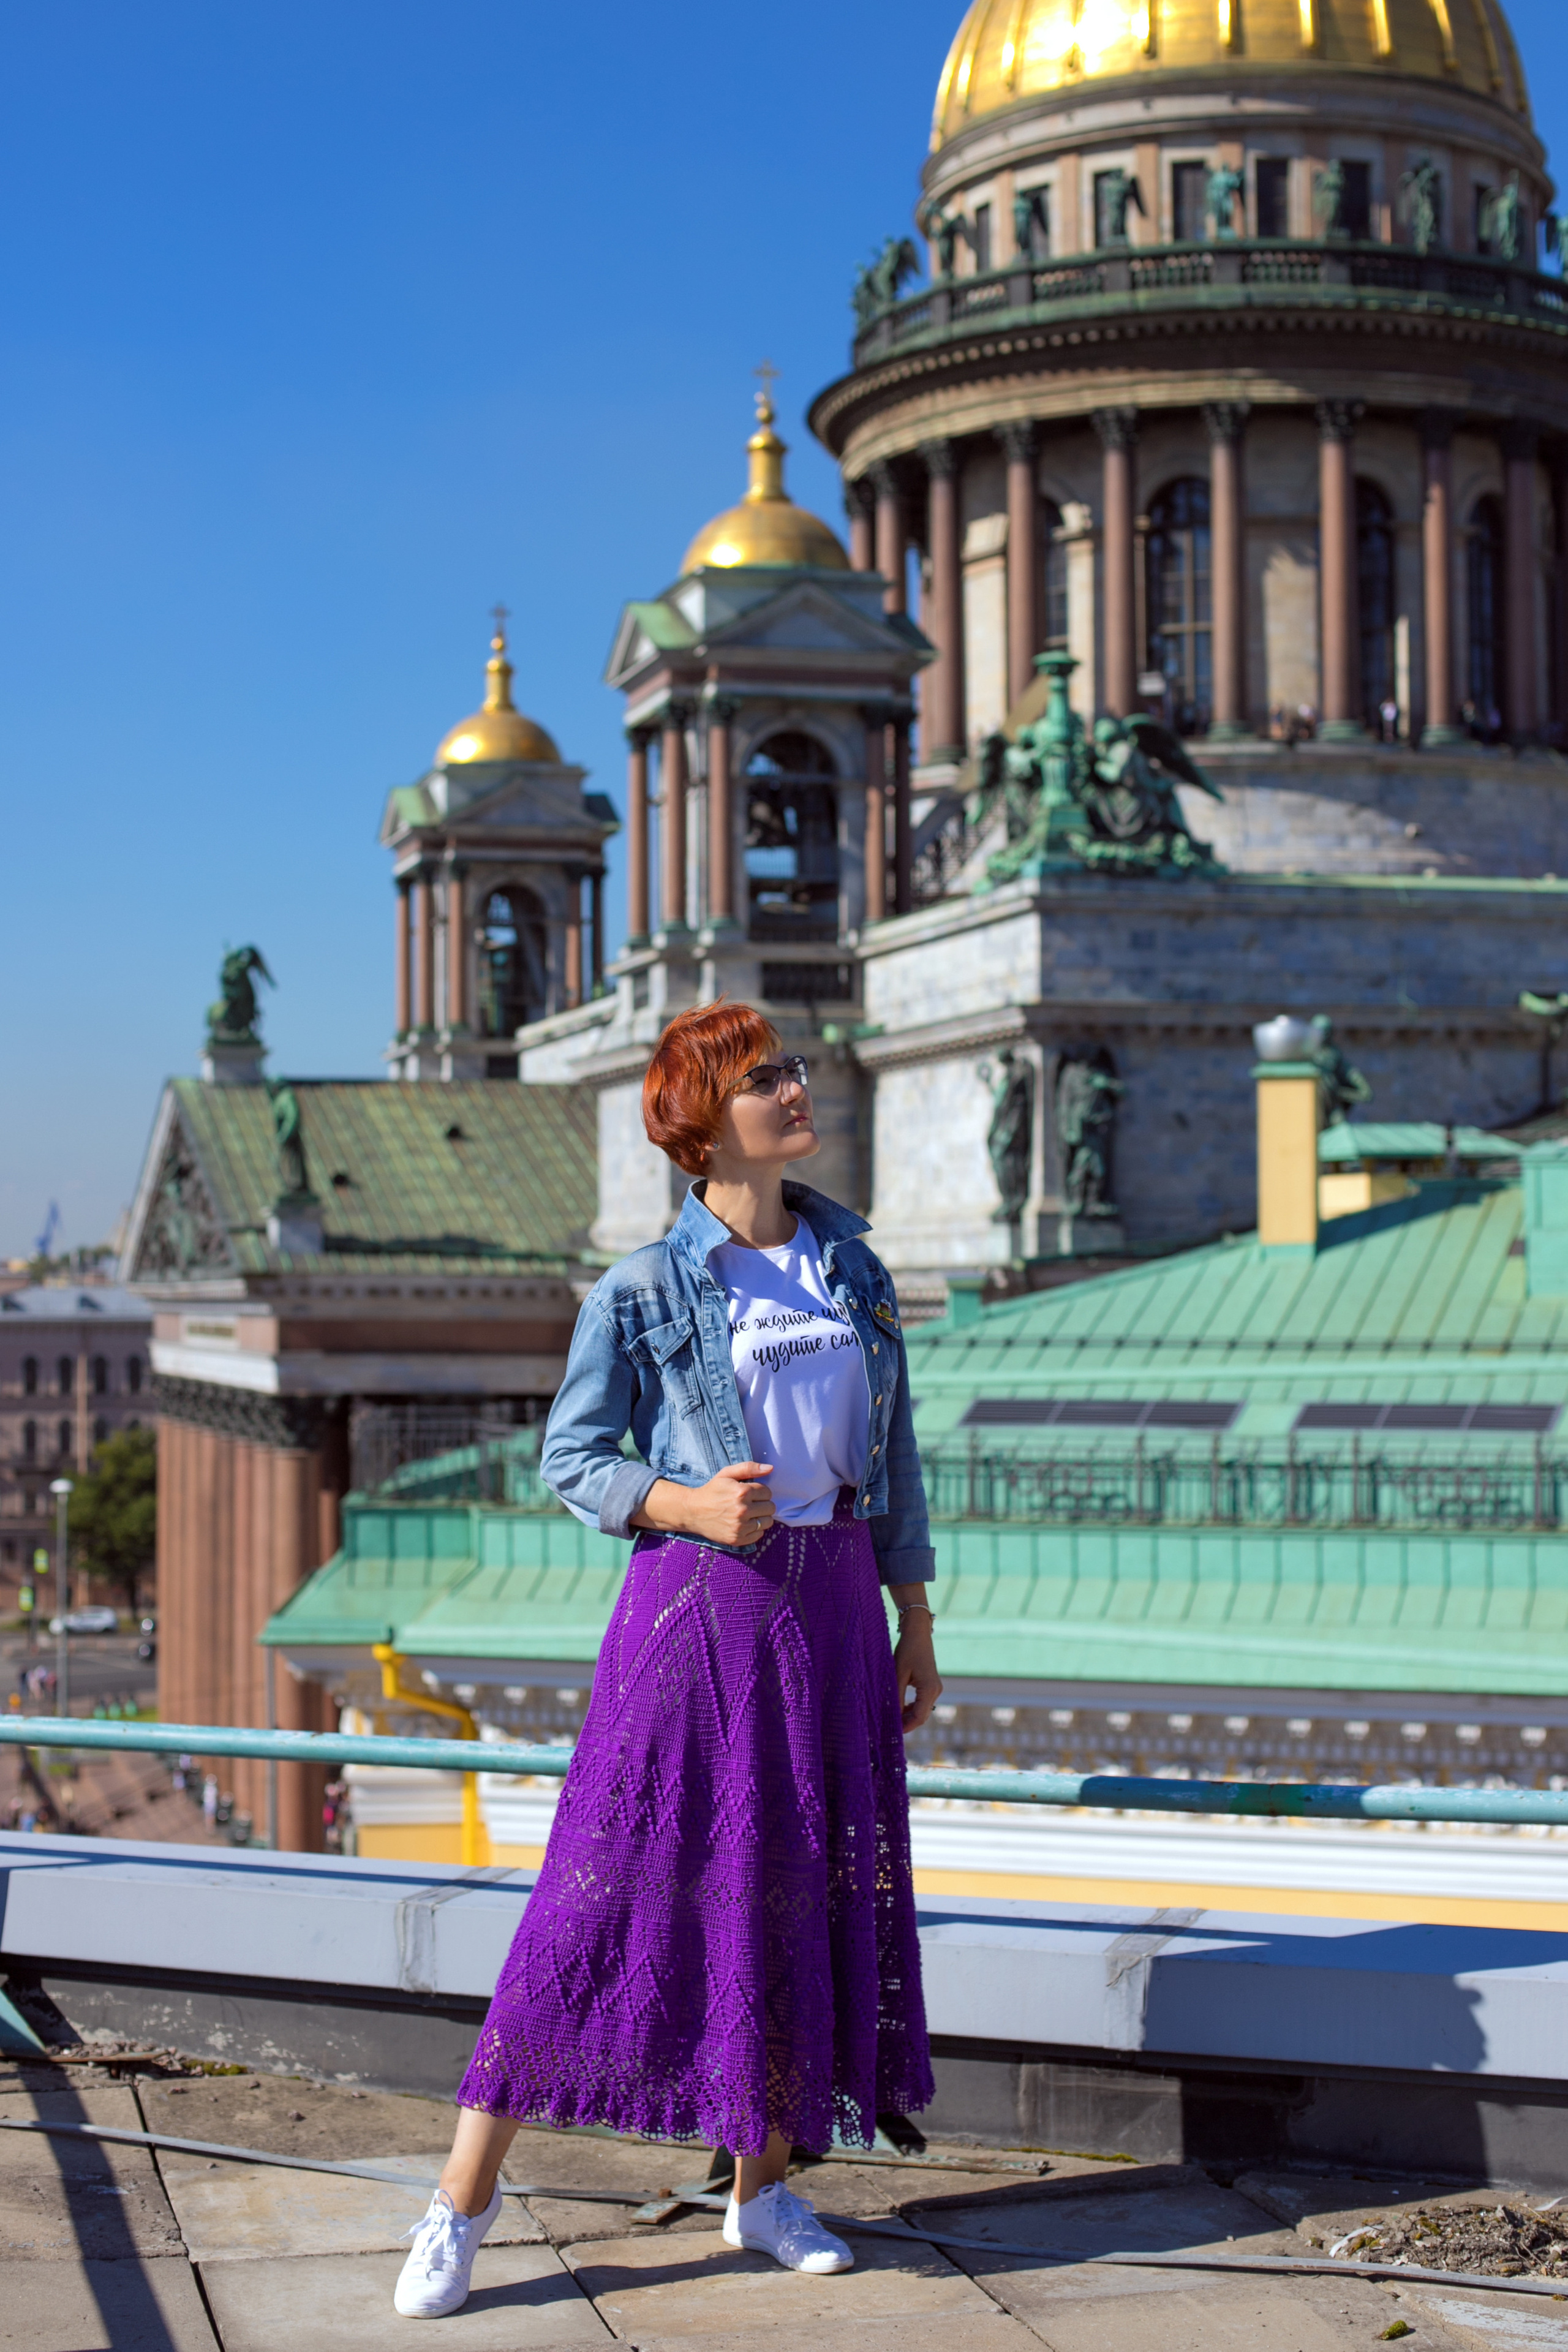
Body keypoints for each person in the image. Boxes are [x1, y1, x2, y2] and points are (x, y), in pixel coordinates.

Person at [394, 1001, 941, 2319]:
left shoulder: (848, 1265)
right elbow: (572, 1461)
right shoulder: (642, 1287)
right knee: (597, 1894)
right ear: (703, 1124)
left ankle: (761, 2190)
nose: (798, 1090)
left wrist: (915, 1621)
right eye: (767, 1079)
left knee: (803, 1884)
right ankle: (457, 2204)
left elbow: (900, 1459)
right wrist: (685, 1502)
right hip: (699, 1609)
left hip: (834, 1602)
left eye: (795, 1070)